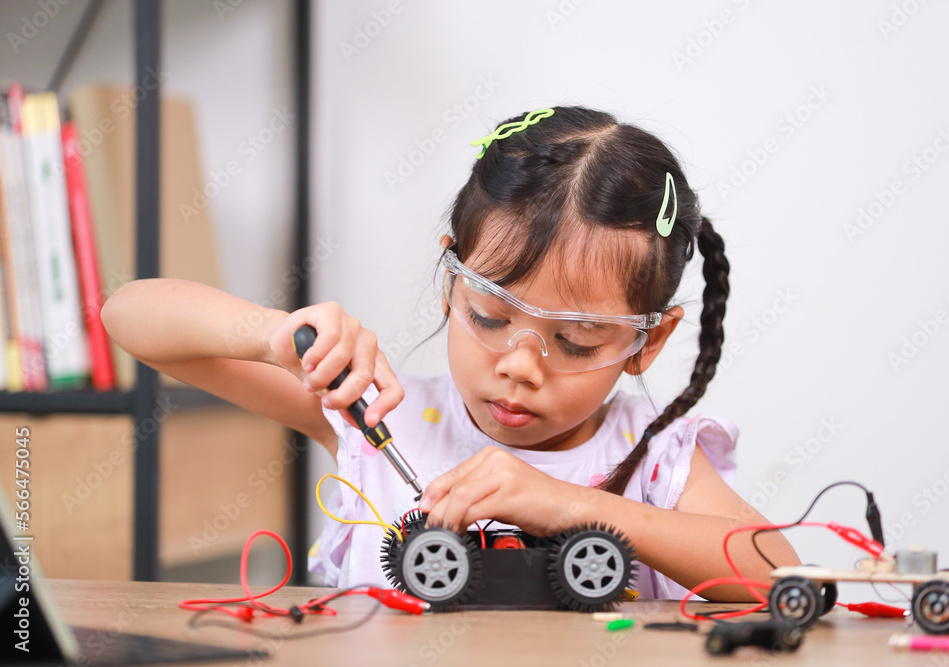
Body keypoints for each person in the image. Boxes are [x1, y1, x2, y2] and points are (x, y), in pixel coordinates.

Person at [102, 106, 798, 601]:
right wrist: (271, 336)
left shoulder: (651, 456)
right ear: (450, 284)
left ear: (648, 340)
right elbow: (128, 315)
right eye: (491, 316)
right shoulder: (379, 417)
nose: (521, 364)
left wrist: (563, 505)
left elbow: (779, 572)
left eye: (574, 340)